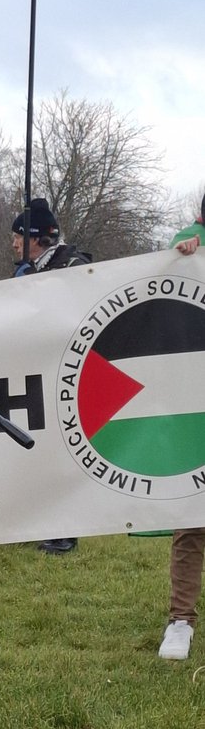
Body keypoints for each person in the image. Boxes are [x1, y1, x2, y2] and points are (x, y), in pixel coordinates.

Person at [12, 198, 91, 554]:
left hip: (66, 374)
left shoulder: (72, 265)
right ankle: (46, 521)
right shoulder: (27, 269)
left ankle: (66, 530)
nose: (13, 243)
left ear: (36, 238)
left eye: (18, 236)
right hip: (36, 373)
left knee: (62, 451)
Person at [158, 223, 203, 660]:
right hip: (196, 407)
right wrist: (181, 258)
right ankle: (181, 621)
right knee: (192, 521)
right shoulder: (190, 261)